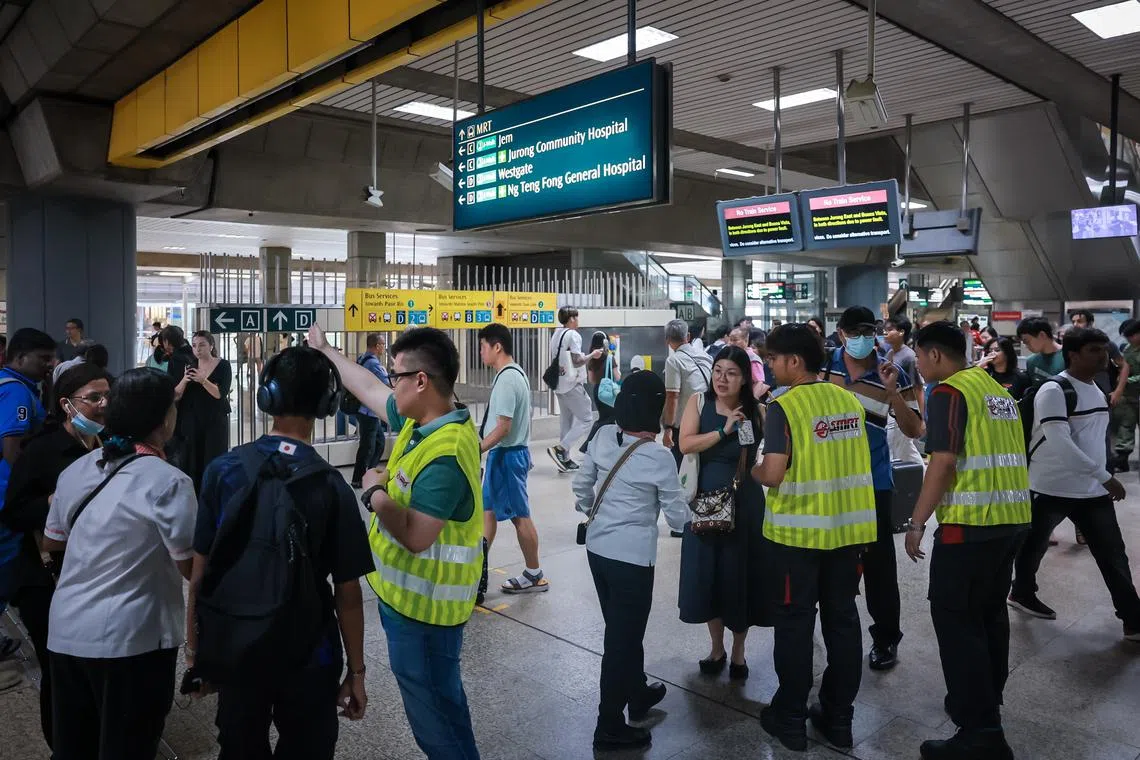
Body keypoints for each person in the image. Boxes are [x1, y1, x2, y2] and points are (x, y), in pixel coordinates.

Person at [309, 322, 483, 759]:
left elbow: (417, 536)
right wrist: (327, 350)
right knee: (445, 706)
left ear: (420, 381)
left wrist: (374, 493)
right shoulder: (422, 422)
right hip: (410, 605)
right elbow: (365, 386)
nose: (389, 383)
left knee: (434, 723)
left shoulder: (444, 453)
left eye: (397, 375)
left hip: (424, 616)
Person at [187, 346, 371, 759]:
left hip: (236, 645)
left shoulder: (224, 470)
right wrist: (356, 673)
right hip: (309, 651)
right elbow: (348, 593)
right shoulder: (332, 487)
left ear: (266, 397)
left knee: (239, 746)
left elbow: (201, 571)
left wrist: (199, 652)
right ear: (328, 404)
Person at [42, 368, 197, 760]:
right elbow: (191, 567)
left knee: (75, 746)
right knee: (128, 747)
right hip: (133, 639)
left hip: (65, 631)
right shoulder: (168, 481)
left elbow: (51, 541)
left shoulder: (76, 470)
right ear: (165, 419)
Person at [904, 321, 1031, 760]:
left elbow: (942, 462)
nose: (918, 365)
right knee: (989, 616)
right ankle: (984, 703)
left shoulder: (948, 393)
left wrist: (917, 521)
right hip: (1011, 520)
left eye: (920, 357)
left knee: (957, 623)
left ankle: (980, 732)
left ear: (935, 355)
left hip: (970, 526)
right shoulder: (995, 391)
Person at [753, 324, 877, 752]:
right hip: (847, 534)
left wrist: (750, 470)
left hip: (796, 539)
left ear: (794, 362)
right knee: (842, 622)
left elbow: (771, 473)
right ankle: (839, 718)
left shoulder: (786, 407)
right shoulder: (848, 400)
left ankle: (789, 718)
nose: (769, 366)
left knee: (794, 625)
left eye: (773, 359)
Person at [572, 370, 688, 751]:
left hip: (598, 552)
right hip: (632, 561)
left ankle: (636, 692)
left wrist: (593, 511)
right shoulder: (658, 457)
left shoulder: (604, 435)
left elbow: (581, 485)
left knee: (622, 629)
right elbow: (677, 518)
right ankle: (608, 726)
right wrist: (697, 517)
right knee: (622, 640)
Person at [0, 363, 110, 746]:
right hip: (47, 580)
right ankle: (64, 745)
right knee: (60, 669)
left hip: (96, 574)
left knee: (96, 667)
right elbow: (13, 512)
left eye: (107, 396)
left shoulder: (111, 444)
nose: (103, 405)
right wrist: (54, 502)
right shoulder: (42, 451)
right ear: (67, 404)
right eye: (93, 398)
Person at [1007, 328, 1140, 637]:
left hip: (1091, 491)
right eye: (1094, 350)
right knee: (1032, 547)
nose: (1103, 356)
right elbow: (1059, 443)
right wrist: (1105, 477)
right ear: (1073, 355)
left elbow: (1094, 439)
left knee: (1113, 554)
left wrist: (1100, 476)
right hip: (1050, 487)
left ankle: (1133, 618)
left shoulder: (1096, 387)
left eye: (1104, 350)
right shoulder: (1055, 390)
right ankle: (1021, 593)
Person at [826, 306, 924, 671]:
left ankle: (885, 638)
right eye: (855, 331)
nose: (863, 337)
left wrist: (892, 393)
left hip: (873, 482)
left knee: (879, 565)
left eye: (870, 330)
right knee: (832, 558)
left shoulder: (892, 371)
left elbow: (916, 430)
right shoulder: (824, 369)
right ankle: (836, 626)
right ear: (841, 334)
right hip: (828, 482)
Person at [677, 345, 767, 680]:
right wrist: (722, 430)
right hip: (706, 503)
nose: (721, 379)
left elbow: (761, 453)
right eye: (717, 371)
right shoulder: (698, 403)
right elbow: (685, 444)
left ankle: (740, 652)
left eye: (730, 373)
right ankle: (717, 648)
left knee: (739, 577)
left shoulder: (757, 411)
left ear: (744, 377)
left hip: (745, 504)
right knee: (709, 577)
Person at [477, 323, 547, 599]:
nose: (480, 352)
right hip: (503, 456)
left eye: (483, 346)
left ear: (497, 347)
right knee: (489, 512)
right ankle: (477, 566)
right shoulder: (511, 375)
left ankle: (534, 573)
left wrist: (477, 448)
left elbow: (503, 427)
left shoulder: (507, 379)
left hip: (507, 456)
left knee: (520, 515)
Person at [0, 328, 57, 663]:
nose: (49, 364)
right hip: (6, 494)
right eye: (43, 358)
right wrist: (32, 489)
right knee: (6, 565)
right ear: (19, 358)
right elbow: (12, 448)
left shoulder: (10, 385)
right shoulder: (17, 393)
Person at [173, 331, 231, 492]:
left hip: (214, 421)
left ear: (211, 346)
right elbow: (176, 395)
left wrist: (203, 380)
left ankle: (213, 493)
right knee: (192, 459)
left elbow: (220, 393)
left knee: (213, 458)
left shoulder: (223, 365)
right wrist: (185, 379)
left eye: (202, 345)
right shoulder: (189, 365)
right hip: (192, 420)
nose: (197, 349)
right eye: (194, 346)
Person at [548, 307, 601, 473]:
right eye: (577, 318)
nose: (578, 321)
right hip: (572, 384)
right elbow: (577, 361)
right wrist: (593, 354)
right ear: (571, 319)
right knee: (586, 418)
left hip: (558, 384)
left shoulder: (556, 334)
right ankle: (561, 448)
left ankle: (564, 460)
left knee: (566, 420)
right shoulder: (573, 335)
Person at [663, 318, 713, 467]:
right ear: (688, 336)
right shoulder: (705, 356)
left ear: (667, 340)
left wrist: (668, 428)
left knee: (681, 466)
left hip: (685, 423)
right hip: (707, 416)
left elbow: (673, 396)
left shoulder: (674, 361)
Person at [351, 333, 391, 489]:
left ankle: (369, 473)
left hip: (365, 409)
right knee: (367, 447)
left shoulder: (362, 358)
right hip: (369, 410)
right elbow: (387, 383)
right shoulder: (373, 364)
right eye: (382, 344)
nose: (384, 347)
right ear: (377, 346)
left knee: (378, 443)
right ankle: (358, 478)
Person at [883, 316, 925, 466]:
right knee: (905, 449)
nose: (885, 333)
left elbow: (918, 388)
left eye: (889, 330)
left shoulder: (909, 357)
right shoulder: (889, 354)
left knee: (900, 449)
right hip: (893, 409)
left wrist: (921, 417)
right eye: (885, 330)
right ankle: (922, 476)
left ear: (901, 332)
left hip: (906, 409)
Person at [582, 330, 620, 452]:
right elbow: (617, 376)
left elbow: (592, 379)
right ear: (605, 343)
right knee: (610, 418)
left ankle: (601, 445)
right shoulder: (610, 357)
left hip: (598, 391)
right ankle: (588, 445)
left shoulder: (592, 359)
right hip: (609, 391)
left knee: (605, 418)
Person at [1113, 320, 1140, 473]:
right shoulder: (1129, 350)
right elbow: (1125, 369)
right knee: (1126, 426)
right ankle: (1122, 459)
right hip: (1130, 396)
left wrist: (1128, 380)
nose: (1128, 339)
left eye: (1131, 336)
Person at [1017, 317, 1064, 387]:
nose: (1026, 346)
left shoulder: (1069, 356)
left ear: (1042, 335)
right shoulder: (1031, 361)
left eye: (1027, 341)